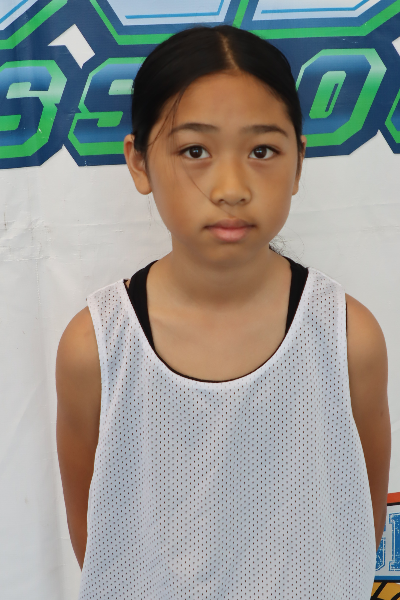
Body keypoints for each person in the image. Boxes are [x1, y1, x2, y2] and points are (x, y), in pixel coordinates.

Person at [56, 25, 391, 599]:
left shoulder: (346, 338)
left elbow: (362, 521)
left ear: (299, 161)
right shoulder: (97, 346)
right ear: (139, 162)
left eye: (262, 151)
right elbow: (98, 542)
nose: (231, 187)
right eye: (195, 151)